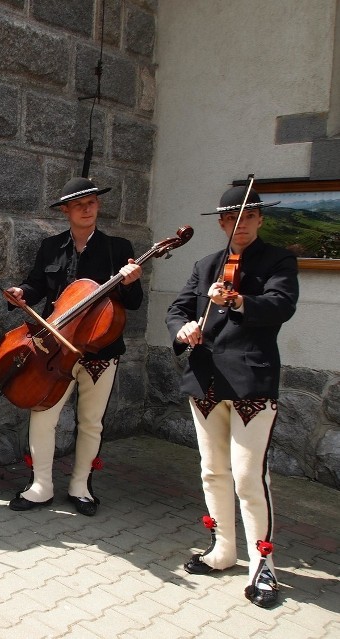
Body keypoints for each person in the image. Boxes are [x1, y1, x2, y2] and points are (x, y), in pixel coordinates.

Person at [166, 185, 298, 609]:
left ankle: (264, 567)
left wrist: (238, 299)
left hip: (250, 380)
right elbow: (178, 308)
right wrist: (182, 329)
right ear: (222, 223)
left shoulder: (278, 259)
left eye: (246, 217)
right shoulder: (206, 264)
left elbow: (280, 304)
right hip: (205, 378)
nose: (238, 225)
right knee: (212, 471)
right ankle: (223, 550)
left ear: (258, 219)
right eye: (230, 219)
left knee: (247, 476)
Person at [4, 177, 142, 516]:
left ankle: (81, 486)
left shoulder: (117, 248)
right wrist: (21, 293)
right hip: (55, 350)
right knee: (42, 414)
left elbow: (134, 302)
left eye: (92, 201)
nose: (87, 208)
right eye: (79, 203)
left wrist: (129, 282)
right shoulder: (51, 247)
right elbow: (36, 285)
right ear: (65, 210)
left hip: (100, 351)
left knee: (91, 421)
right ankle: (41, 486)